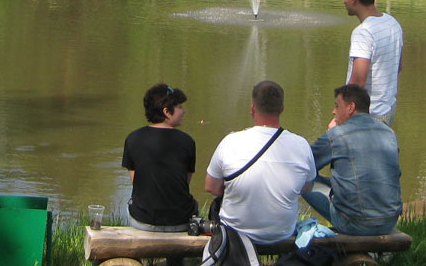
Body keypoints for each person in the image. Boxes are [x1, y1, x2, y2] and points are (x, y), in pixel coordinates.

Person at [204, 81, 315, 247]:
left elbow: (211, 187)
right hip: (282, 233)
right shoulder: (301, 145)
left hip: (236, 233)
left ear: (252, 108)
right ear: (282, 108)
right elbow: (306, 188)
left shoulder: (230, 142)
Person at [303, 84, 401, 235]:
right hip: (389, 221)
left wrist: (330, 133)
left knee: (301, 179)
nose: (333, 111)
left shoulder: (336, 135)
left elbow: (305, 166)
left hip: (354, 224)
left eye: (337, 106)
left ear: (350, 108)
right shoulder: (389, 133)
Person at [122, 84, 196, 232]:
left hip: (143, 221)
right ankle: (178, 256)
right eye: (180, 107)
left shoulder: (133, 139)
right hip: (179, 221)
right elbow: (184, 183)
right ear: (167, 112)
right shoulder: (187, 141)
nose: (184, 111)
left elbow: (137, 183)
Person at [341, 0, 404, 126]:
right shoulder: (392, 23)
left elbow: (357, 82)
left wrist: (340, 115)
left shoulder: (363, 32)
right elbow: (398, 67)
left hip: (368, 116)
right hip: (388, 110)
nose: (343, 1)